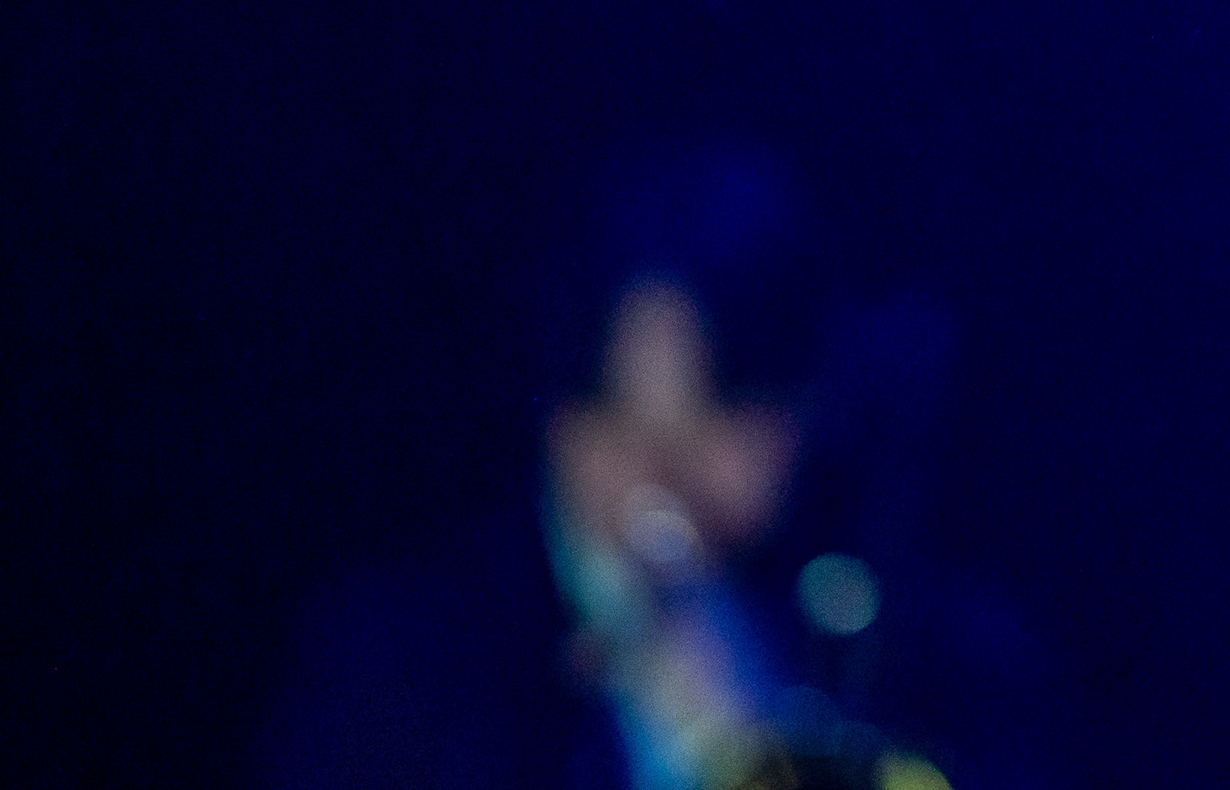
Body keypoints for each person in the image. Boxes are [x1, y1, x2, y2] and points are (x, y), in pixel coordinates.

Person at [265, 144, 1068, 790]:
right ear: (554, 424)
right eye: (614, 417)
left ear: (804, 420)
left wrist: (750, 752)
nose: (660, 473)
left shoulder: (949, 667)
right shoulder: (399, 663)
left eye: (716, 418)